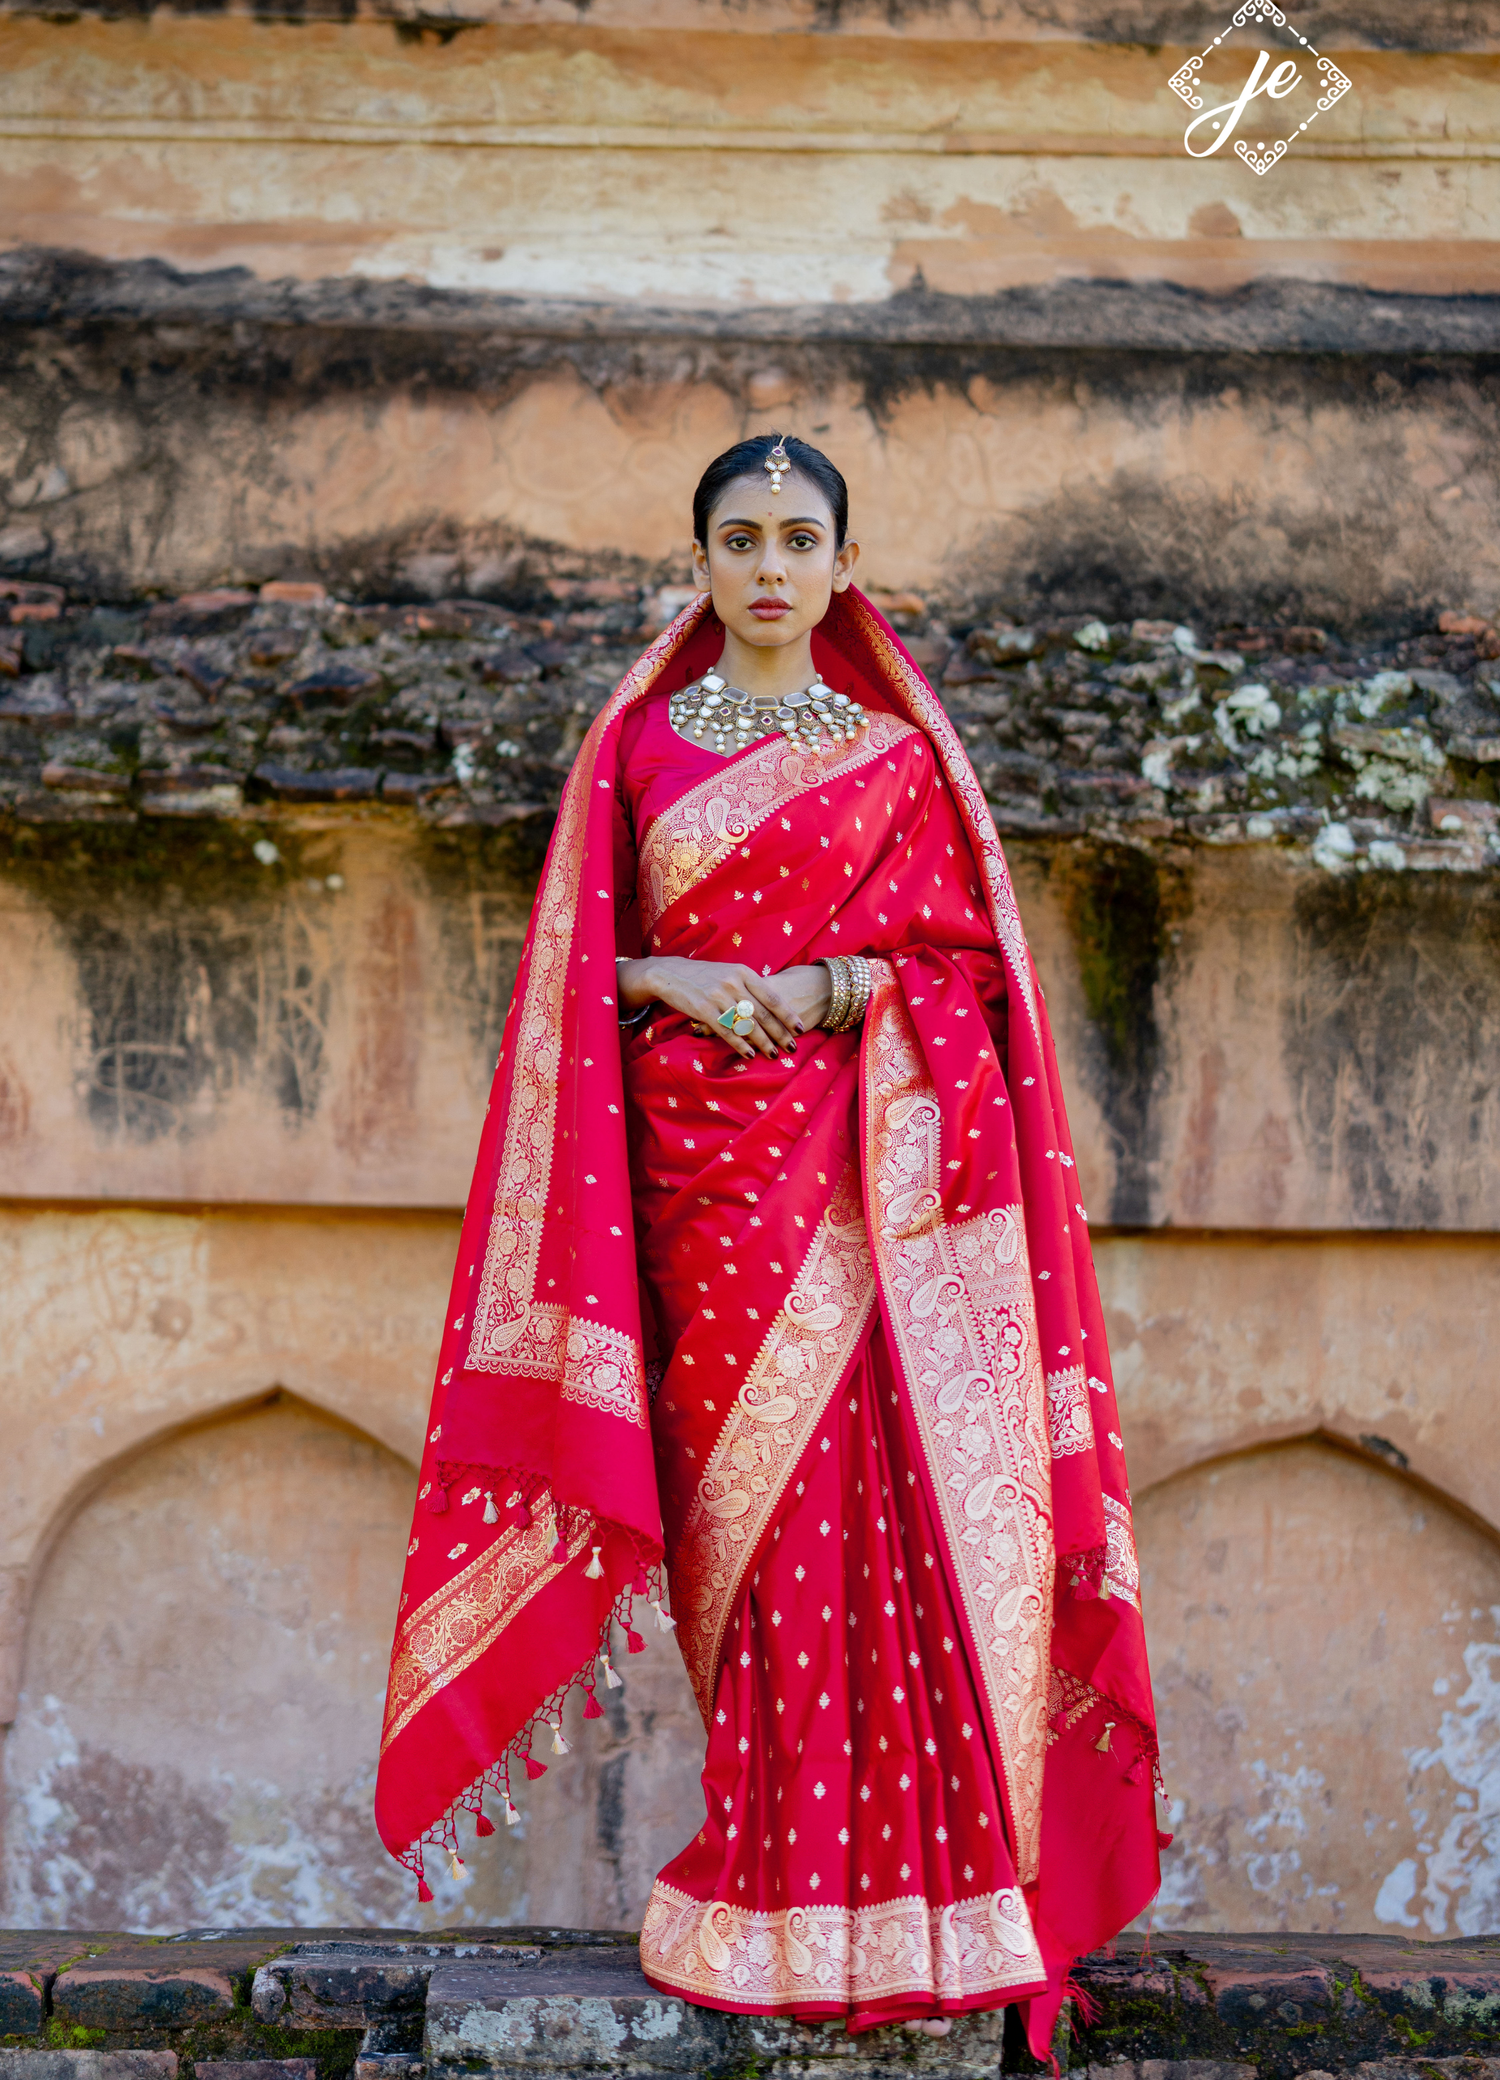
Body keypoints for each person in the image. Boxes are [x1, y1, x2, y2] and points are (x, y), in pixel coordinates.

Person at [375, 434, 1164, 2051]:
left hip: (867, 1194)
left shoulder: (892, 760)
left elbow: (969, 985)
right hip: (698, 1195)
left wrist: (827, 991)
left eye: (802, 538)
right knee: (747, 1535)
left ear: (843, 569)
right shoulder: (640, 753)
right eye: (740, 538)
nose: (770, 566)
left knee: (880, 1520)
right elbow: (565, 995)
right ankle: (766, 1877)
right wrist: (670, 983)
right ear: (704, 562)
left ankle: (933, 1895)